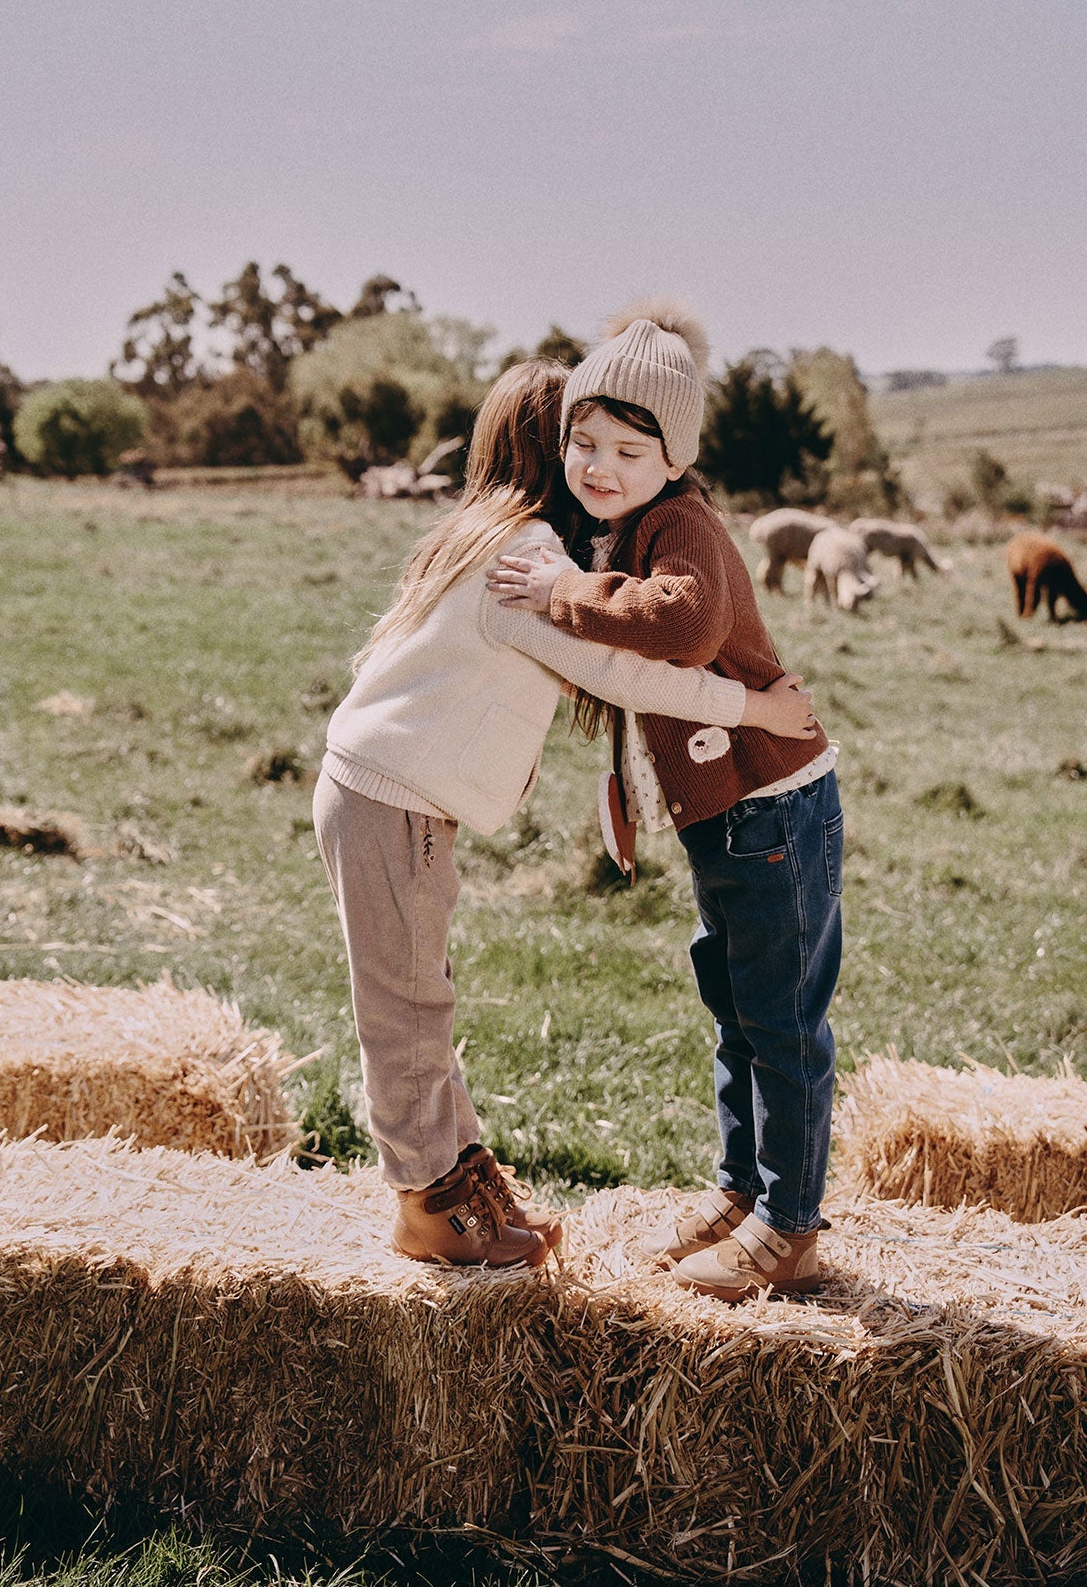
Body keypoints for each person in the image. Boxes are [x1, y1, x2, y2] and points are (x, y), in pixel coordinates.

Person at [313, 356, 818, 1271]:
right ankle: (428, 1205)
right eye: (582, 442)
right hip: (391, 798)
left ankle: (461, 1178)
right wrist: (755, 709)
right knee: (408, 1006)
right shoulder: (526, 557)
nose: (598, 466)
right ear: (555, 449)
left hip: (380, 790)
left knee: (420, 991)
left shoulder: (483, 531)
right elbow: (623, 674)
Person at [487, 301, 842, 1301]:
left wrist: (560, 590)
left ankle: (790, 1226)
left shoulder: (679, 524)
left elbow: (684, 630)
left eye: (628, 450)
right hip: (725, 817)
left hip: (771, 805)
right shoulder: (629, 528)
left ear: (674, 457)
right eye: (584, 443)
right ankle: (744, 1191)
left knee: (781, 1021)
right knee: (736, 1010)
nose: (599, 466)